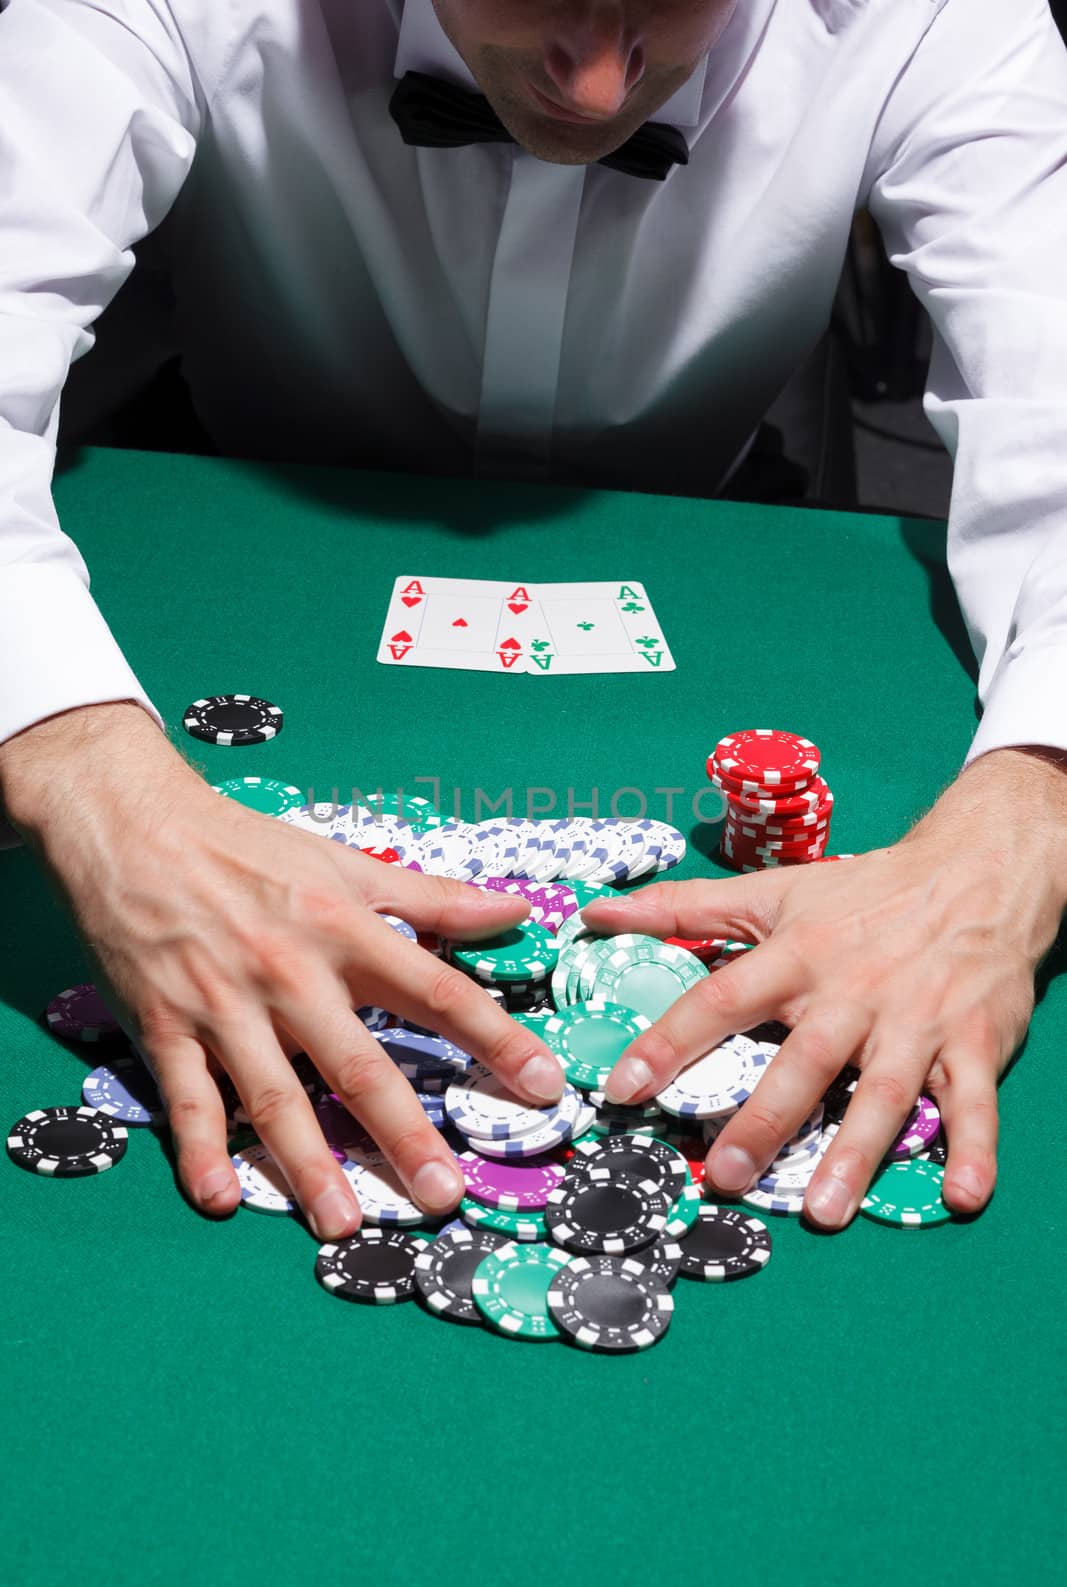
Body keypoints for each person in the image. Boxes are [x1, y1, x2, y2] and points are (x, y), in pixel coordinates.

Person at [2, 0, 1066, 1239]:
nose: (603, 82)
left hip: (719, 526)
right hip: (236, 499)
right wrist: (85, 767)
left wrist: (1032, 809)